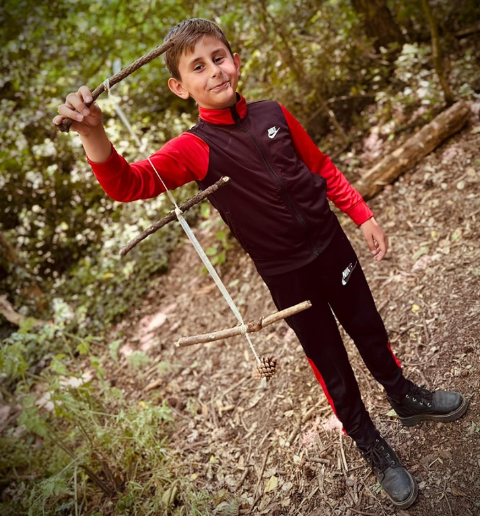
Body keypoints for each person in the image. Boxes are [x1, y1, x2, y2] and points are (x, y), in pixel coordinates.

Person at [53, 18, 468, 509]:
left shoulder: (274, 112)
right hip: (288, 274)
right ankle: (370, 444)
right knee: (329, 361)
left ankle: (404, 397)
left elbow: (320, 166)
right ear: (179, 87)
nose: (215, 71)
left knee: (368, 327)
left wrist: (361, 213)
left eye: (219, 57)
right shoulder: (192, 149)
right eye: (198, 67)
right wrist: (92, 135)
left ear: (236, 59)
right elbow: (128, 184)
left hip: (333, 246)